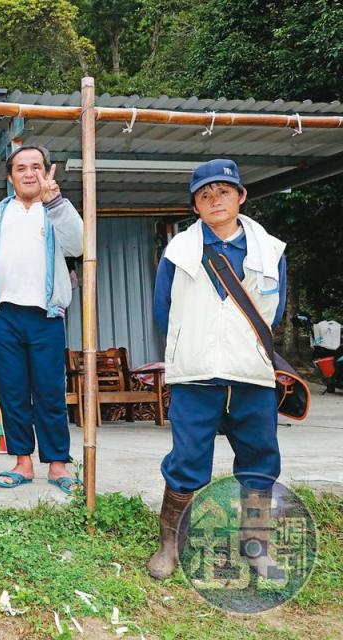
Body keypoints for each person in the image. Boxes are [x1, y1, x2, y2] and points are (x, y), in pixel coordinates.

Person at [148, 159, 287, 580]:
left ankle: (257, 545)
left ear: (241, 196)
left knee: (260, 457)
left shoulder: (271, 250)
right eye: (205, 195)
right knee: (187, 459)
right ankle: (170, 545)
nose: (215, 200)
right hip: (195, 374)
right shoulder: (179, 252)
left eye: (223, 191)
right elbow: (163, 310)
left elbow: (273, 313)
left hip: (250, 372)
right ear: (195, 206)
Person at [0, 146, 83, 495]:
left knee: (50, 392)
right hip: (2, 316)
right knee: (12, 393)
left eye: (36, 167)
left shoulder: (56, 211)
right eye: (21, 168)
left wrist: (56, 203)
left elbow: (79, 246)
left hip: (46, 315)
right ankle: (22, 462)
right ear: (10, 177)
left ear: (47, 172)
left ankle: (58, 463)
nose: (29, 174)